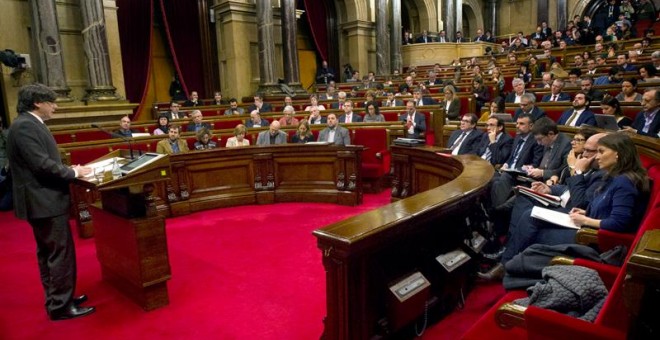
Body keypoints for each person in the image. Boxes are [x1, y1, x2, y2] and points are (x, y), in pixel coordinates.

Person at [6, 83, 95, 320]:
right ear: (38, 102)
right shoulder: (25, 126)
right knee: (58, 254)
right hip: (43, 201)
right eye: (52, 102)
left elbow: (41, 161)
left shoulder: (28, 123)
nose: (55, 106)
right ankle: (61, 307)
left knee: (50, 253)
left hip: (42, 200)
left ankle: (59, 299)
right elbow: (41, 165)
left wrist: (67, 169)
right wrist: (75, 173)